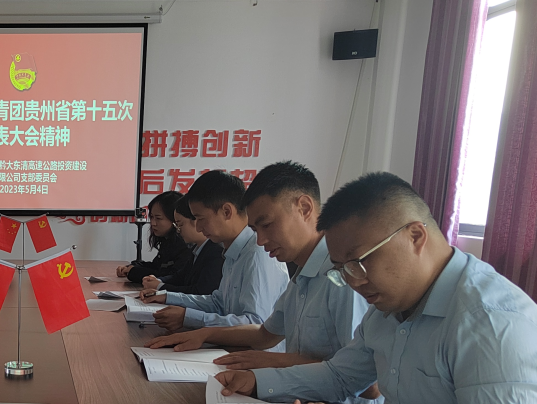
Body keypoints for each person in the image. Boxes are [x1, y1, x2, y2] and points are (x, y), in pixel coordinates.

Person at [215, 172, 537, 404]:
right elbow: (341, 376)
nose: (354, 282)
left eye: (359, 263)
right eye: (342, 270)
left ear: (415, 236)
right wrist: (256, 382)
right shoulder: (389, 305)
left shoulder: (491, 322)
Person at [146, 161, 372, 377]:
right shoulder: (301, 274)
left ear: (304, 208)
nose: (261, 240)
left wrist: (276, 362)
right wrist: (204, 333)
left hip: (325, 402)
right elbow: (265, 333)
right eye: (255, 229)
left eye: (267, 225)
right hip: (295, 391)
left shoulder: (342, 277)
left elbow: (362, 377)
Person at [141, 170, 288, 332]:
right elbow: (219, 303)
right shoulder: (231, 251)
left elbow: (255, 323)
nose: (198, 227)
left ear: (226, 212)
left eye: (201, 219)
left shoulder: (258, 253)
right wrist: (167, 296)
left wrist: (188, 317)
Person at [141, 196, 224, 296]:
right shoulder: (197, 249)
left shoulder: (216, 252)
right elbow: (179, 277)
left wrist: (160, 287)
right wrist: (158, 280)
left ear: (196, 221)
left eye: (180, 225)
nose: (178, 230)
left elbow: (200, 292)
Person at [115, 190, 189, 283]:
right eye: (152, 217)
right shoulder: (166, 241)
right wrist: (131, 267)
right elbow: (156, 266)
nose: (153, 223)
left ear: (175, 218)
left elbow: (172, 277)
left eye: (158, 218)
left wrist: (134, 272)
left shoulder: (184, 244)